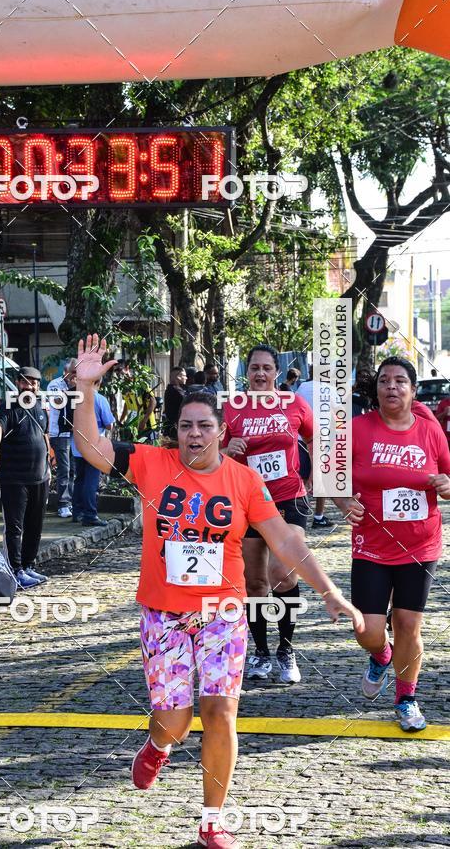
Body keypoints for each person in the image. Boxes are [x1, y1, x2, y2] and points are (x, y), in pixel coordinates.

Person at [73, 334, 362, 849]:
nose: (194, 433)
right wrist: (86, 387)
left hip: (223, 614)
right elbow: (91, 448)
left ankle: (212, 819)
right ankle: (158, 746)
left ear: (221, 430)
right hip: (163, 614)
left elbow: (286, 540)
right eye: (186, 425)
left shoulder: (244, 480)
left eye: (205, 425)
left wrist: (329, 590)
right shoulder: (152, 463)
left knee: (220, 712)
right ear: (176, 432)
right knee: (175, 720)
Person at [335, 357, 450, 732]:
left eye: (401, 381)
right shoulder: (356, 429)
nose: (392, 387)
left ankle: (406, 698)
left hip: (420, 545)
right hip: (371, 544)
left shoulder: (430, 431)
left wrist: (446, 485)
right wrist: (342, 502)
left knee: (407, 624)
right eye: (385, 380)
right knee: (367, 628)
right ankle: (381, 655)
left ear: (413, 390)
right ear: (376, 389)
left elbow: (447, 473)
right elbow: (329, 475)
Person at [221, 345, 314, 684]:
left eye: (266, 368)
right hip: (247, 503)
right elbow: (208, 454)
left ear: (277, 371)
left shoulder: (292, 403)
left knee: (283, 574)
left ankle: (286, 650)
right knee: (255, 582)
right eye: (254, 368)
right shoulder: (233, 408)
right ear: (247, 372)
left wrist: (315, 475)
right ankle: (260, 651)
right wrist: (225, 449)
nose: (260, 373)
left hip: (289, 500)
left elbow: (316, 437)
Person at [0, 367, 50, 589]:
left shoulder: (40, 407)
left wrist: (50, 464)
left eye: (34, 383)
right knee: (14, 527)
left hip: (40, 478)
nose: (30, 386)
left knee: (35, 525)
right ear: (18, 383)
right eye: (26, 382)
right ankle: (15, 571)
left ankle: (28, 565)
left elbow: (44, 434)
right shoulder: (9, 406)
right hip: (15, 479)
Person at [72, 379, 115, 526]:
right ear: (99, 383)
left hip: (77, 445)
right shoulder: (100, 399)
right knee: (91, 480)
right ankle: (90, 514)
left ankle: (77, 512)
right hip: (94, 446)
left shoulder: (76, 397)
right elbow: (109, 424)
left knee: (79, 479)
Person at [295, 365, 333, 528]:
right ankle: (318, 516)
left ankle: (300, 515)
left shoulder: (302, 387)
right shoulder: (330, 389)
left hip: (301, 438)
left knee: (302, 479)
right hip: (322, 439)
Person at [47, 358, 77, 518]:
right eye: (73, 372)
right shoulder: (55, 384)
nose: (76, 375)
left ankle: (70, 501)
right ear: (66, 372)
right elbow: (57, 402)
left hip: (75, 433)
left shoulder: (79, 386)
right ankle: (63, 504)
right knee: (64, 469)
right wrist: (72, 390)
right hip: (59, 433)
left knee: (73, 468)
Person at [163, 366, 187, 438]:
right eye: (184, 376)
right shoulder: (176, 391)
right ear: (178, 377)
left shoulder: (171, 389)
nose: (186, 378)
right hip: (175, 428)